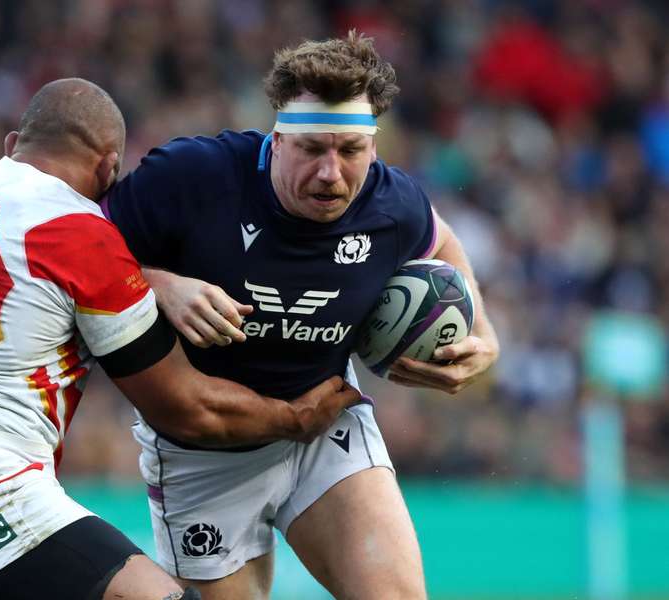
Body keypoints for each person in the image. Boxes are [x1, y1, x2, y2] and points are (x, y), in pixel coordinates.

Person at [0, 78, 362, 600]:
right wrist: (293, 419)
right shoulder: (77, 229)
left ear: (13, 145)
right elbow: (187, 409)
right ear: (108, 169)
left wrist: (153, 281)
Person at [102, 32, 500, 599]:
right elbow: (78, 245)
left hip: (326, 425)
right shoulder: (191, 177)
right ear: (278, 138)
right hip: (204, 454)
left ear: (374, 148)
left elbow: (442, 240)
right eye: (312, 148)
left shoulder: (390, 203)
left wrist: (485, 337)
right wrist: (156, 283)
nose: (331, 174)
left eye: (350, 151)